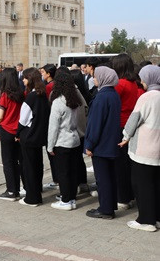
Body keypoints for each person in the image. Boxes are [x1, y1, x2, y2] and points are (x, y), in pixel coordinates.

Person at [119, 65, 160, 232]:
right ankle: (156, 217)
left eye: (142, 77)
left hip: (144, 149)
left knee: (141, 185)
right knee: (156, 184)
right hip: (158, 150)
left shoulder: (147, 97)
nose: (140, 81)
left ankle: (146, 220)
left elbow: (134, 120)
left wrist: (125, 136)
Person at [85, 66, 122, 220]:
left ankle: (105, 209)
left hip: (101, 144)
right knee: (110, 176)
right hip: (111, 142)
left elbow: (95, 124)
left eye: (96, 76)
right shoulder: (113, 94)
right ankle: (110, 205)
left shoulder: (101, 97)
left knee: (102, 178)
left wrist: (89, 144)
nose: (94, 79)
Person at [47, 71, 83, 211]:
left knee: (63, 173)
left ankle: (66, 200)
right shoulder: (73, 99)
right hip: (74, 139)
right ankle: (71, 198)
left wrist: (50, 146)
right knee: (72, 171)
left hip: (62, 141)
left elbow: (53, 127)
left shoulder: (58, 102)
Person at [17, 67, 51, 206]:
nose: (23, 80)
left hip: (29, 136)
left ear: (30, 79)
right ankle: (37, 192)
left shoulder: (31, 97)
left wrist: (18, 133)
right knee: (37, 166)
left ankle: (32, 198)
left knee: (29, 167)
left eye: (25, 78)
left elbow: (23, 119)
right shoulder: (42, 94)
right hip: (39, 136)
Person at [112, 53, 141, 210]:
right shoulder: (133, 83)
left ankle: (123, 197)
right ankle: (129, 195)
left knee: (120, 165)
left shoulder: (121, 84)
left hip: (120, 125)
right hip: (130, 125)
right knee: (128, 164)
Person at [0, 68, 25, 202]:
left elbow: (0, 116)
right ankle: (18, 189)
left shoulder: (5, 95)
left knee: (8, 162)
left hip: (7, 130)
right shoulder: (21, 94)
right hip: (18, 131)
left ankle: (11, 190)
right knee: (17, 161)